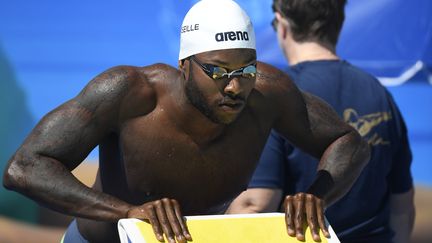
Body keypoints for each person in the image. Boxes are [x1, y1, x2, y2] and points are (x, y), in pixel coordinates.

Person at [2, 1, 370, 243]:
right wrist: (127, 212)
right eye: (218, 71)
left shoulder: (268, 96)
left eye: (246, 70)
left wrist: (318, 197)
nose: (234, 86)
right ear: (184, 66)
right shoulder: (130, 94)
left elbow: (348, 142)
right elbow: (23, 168)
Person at [227, 0, 415, 242]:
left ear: (282, 26)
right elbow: (402, 209)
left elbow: (254, 206)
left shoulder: (276, 97)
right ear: (339, 24)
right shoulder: (380, 94)